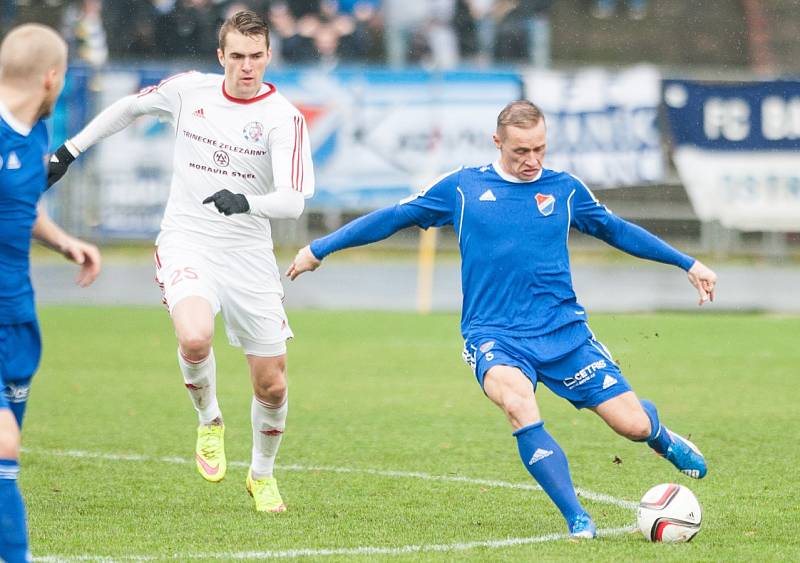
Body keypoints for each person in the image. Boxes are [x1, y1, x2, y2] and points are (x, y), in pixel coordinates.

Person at [286, 100, 716, 538]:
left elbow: (617, 230)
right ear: (498, 143)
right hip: (494, 335)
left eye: (539, 150)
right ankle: (577, 518)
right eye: (520, 152)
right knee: (517, 403)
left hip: (564, 334)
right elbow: (395, 217)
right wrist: (319, 249)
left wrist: (687, 263)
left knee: (633, 425)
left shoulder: (565, 190)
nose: (532, 161)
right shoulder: (462, 188)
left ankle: (660, 435)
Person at [47, 9, 315, 513]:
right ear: (220, 56)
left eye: (256, 57)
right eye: (236, 56)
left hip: (248, 255)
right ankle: (210, 420)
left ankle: (262, 475)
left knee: (272, 383)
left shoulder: (284, 118)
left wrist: (246, 201)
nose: (246, 67)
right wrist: (69, 150)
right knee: (194, 335)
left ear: (268, 57)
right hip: (187, 239)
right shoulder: (191, 90)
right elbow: (128, 108)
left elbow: (295, 199)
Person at [0, 23, 102, 562]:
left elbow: (21, 204)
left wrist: (62, 241)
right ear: (52, 77)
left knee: (5, 455)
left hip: (17, 316)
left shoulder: (35, 131)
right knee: (3, 447)